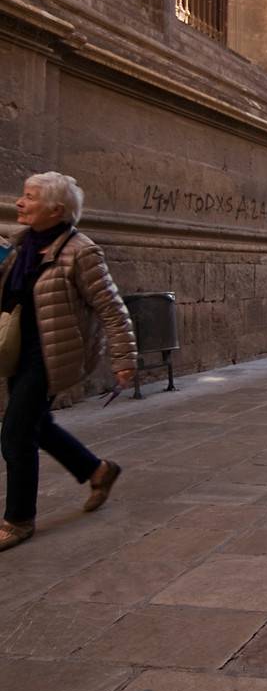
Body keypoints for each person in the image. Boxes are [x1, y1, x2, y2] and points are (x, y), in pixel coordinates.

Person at [0, 172, 137, 553]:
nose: (20, 203)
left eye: (29, 197)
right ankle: (98, 470)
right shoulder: (22, 245)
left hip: (53, 355)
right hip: (20, 352)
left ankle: (19, 520)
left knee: (14, 433)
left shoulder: (82, 251)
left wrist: (124, 359)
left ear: (56, 209)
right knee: (36, 426)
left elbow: (112, 308)